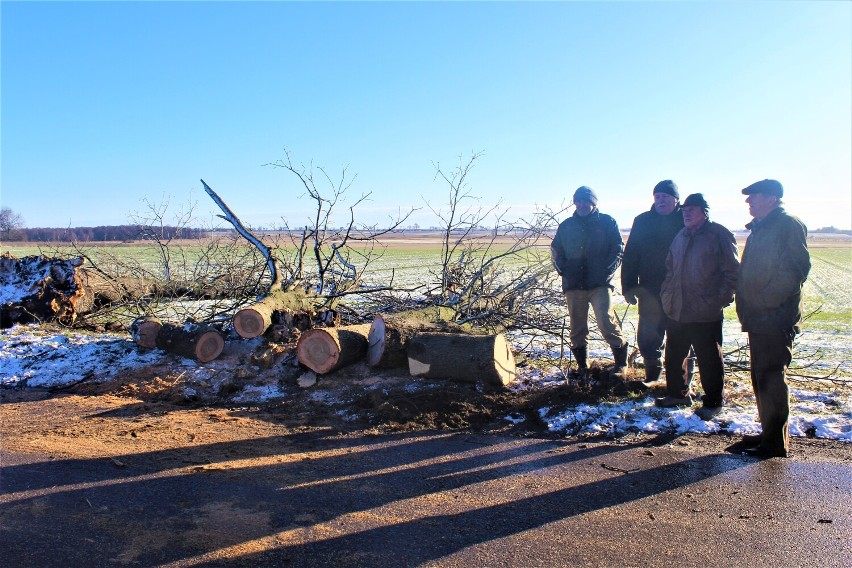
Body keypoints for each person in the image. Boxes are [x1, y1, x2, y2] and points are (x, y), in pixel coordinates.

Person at [735, 179, 810, 458]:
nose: (748, 202)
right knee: (761, 378)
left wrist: (765, 301)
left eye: (753, 196)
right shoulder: (762, 227)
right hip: (759, 317)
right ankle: (769, 433)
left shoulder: (788, 224)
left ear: (771, 198)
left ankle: (775, 444)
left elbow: (796, 269)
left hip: (775, 317)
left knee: (772, 378)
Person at [656, 193, 739, 420]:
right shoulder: (680, 236)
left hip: (706, 312)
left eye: (691, 209)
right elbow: (670, 269)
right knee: (674, 356)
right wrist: (667, 294)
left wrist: (718, 300)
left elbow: (732, 272)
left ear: (704, 212)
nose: (686, 213)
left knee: (709, 359)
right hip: (677, 308)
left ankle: (713, 402)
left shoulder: (719, 235)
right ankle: (678, 395)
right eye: (684, 210)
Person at [551, 186, 628, 378]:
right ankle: (583, 367)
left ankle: (621, 365)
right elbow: (556, 251)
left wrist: (605, 273)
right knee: (577, 328)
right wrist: (564, 271)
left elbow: (617, 249)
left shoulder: (607, 222)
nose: (582, 204)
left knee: (606, 322)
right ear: (575, 202)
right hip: (574, 285)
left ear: (594, 202)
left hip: (599, 284)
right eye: (579, 201)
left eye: (587, 201)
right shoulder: (567, 225)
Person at [621, 180, 685, 385]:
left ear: (676, 199)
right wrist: (628, 286)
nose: (660, 200)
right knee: (648, 336)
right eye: (657, 196)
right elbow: (631, 255)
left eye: (665, 197)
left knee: (680, 336)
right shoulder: (643, 221)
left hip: (680, 289)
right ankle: (652, 377)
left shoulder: (686, 219)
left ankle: (680, 384)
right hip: (649, 288)